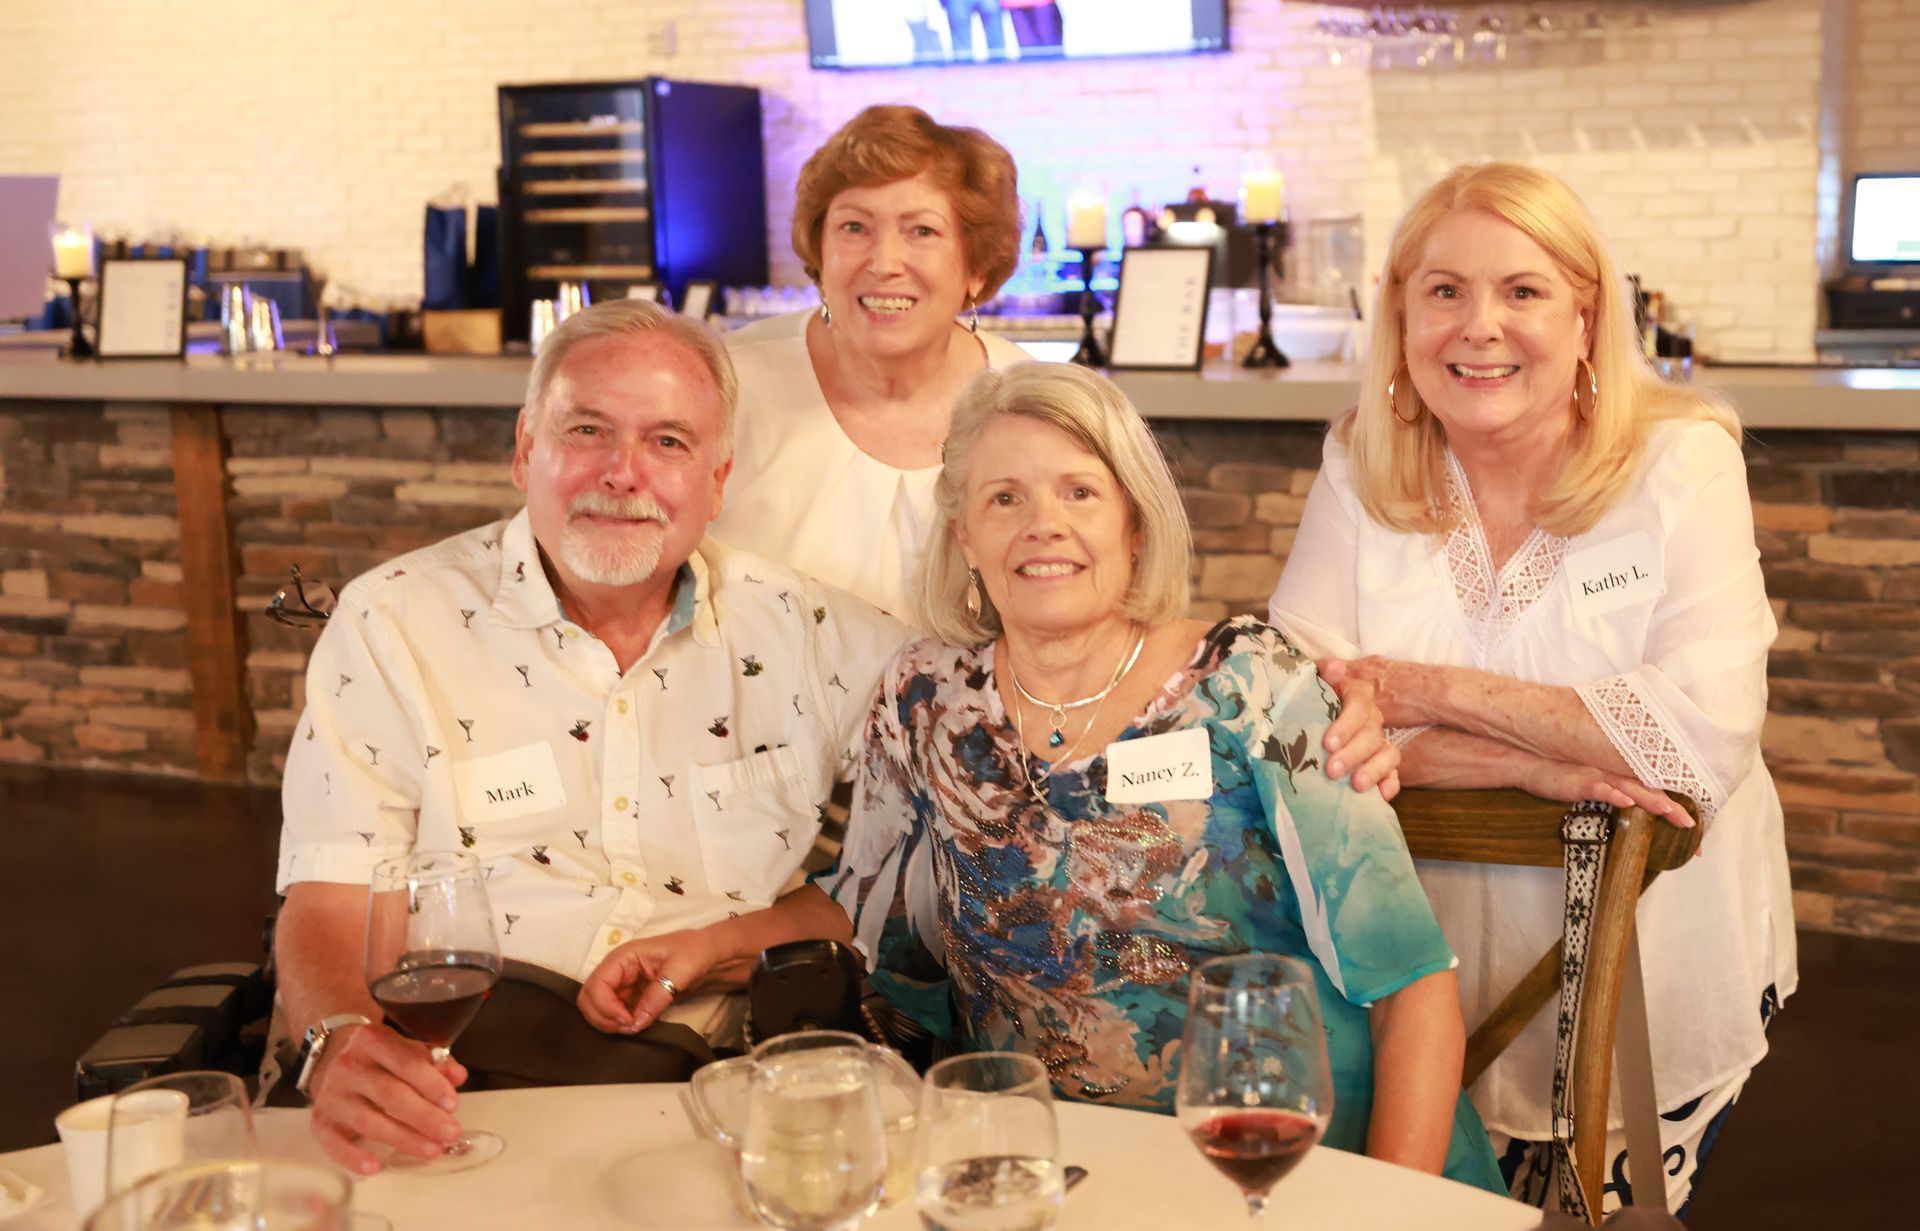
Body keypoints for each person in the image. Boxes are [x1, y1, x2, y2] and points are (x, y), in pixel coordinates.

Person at [818, 362, 1505, 1192]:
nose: (1044, 525)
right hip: (1044, 1179)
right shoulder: (925, 699)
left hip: (1298, 1169)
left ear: (1135, 523)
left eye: (1080, 493)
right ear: (963, 533)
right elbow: (876, 946)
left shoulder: (1251, 683)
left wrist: (1390, 1210)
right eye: (1005, 498)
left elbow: (1412, 987)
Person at [1266, 162, 1794, 1215]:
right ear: (1401, 317)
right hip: (1410, 991)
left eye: (1523, 291)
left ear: (1589, 316)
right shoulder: (1360, 467)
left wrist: (1419, 689)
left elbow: (1695, 742)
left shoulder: (1680, 465)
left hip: (1647, 983)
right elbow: (1287, 730)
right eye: (1445, 291)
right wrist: (1540, 764)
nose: (1479, 326)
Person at [273, 300, 904, 1175]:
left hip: (709, 1093)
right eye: (589, 431)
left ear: (718, 481)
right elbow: (328, 893)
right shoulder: (394, 620)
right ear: (527, 449)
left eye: (669, 443)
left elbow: (952, 792)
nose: (623, 474)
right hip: (452, 1073)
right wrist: (339, 1041)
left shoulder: (810, 633)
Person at [709, 105, 1028, 620]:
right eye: (854, 227)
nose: (883, 263)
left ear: (977, 266)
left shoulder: (1034, 404)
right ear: (820, 251)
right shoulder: (723, 384)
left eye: (921, 231)